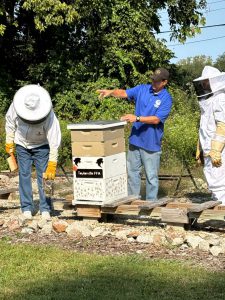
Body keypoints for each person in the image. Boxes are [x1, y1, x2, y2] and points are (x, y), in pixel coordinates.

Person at [97, 67, 172, 201]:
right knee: (132, 173)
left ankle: (150, 205)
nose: (154, 83)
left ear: (164, 82)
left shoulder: (166, 98)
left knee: (151, 176)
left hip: (151, 144)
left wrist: (136, 118)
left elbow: (156, 119)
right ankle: (133, 202)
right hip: (135, 140)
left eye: (157, 82)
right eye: (153, 80)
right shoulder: (142, 89)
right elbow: (124, 93)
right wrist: (111, 92)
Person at [5, 84, 61, 219]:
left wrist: (52, 162)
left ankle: (46, 208)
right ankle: (26, 208)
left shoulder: (49, 115)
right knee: (24, 174)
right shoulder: (16, 106)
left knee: (45, 176)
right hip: (22, 144)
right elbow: (10, 123)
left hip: (41, 146)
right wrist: (9, 141)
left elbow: (54, 139)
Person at [193, 65, 225, 204]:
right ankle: (217, 206)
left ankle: (221, 213)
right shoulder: (208, 100)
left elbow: (222, 125)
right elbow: (203, 127)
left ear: (214, 81)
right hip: (208, 148)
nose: (203, 84)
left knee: (218, 180)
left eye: (206, 81)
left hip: (218, 150)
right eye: (203, 82)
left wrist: (216, 150)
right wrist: (199, 147)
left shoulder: (220, 99)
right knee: (212, 179)